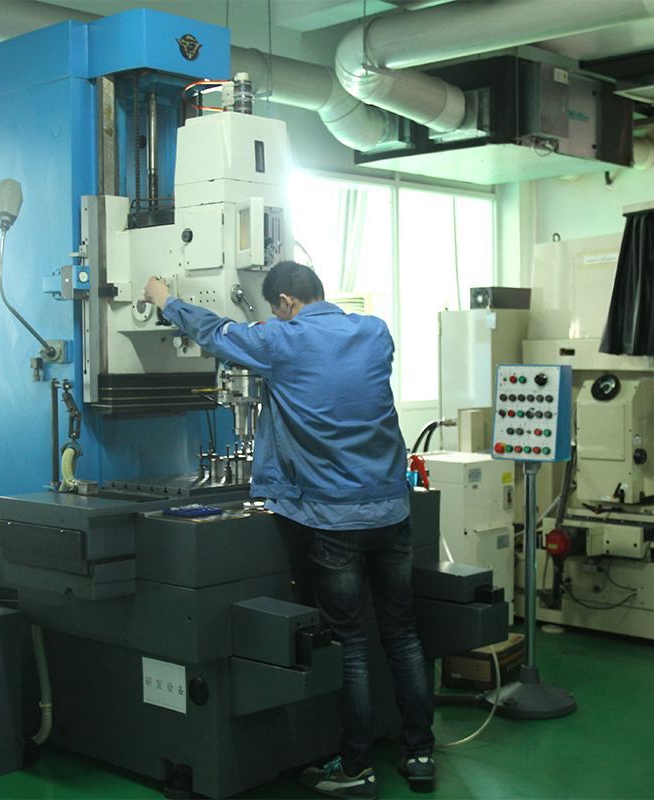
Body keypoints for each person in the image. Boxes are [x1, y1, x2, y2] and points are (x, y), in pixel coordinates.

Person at [143, 262, 435, 799]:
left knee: (349, 642)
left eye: (275, 309)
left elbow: (217, 333)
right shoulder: (375, 331)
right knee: (402, 632)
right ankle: (420, 754)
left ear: (284, 302)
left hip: (333, 517)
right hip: (392, 511)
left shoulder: (282, 340)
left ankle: (356, 768)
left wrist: (167, 300)